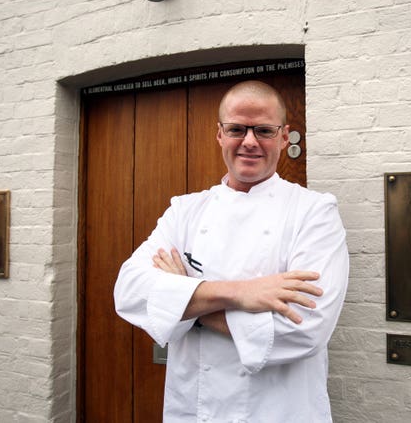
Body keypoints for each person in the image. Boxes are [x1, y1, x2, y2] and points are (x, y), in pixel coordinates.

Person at [114, 80, 349, 422]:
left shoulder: (314, 213)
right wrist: (243, 293)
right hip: (192, 410)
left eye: (264, 130)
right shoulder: (184, 211)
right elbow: (129, 292)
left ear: (284, 137)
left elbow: (305, 329)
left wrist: (183, 304)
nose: (250, 142)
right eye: (237, 129)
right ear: (220, 134)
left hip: (277, 412)